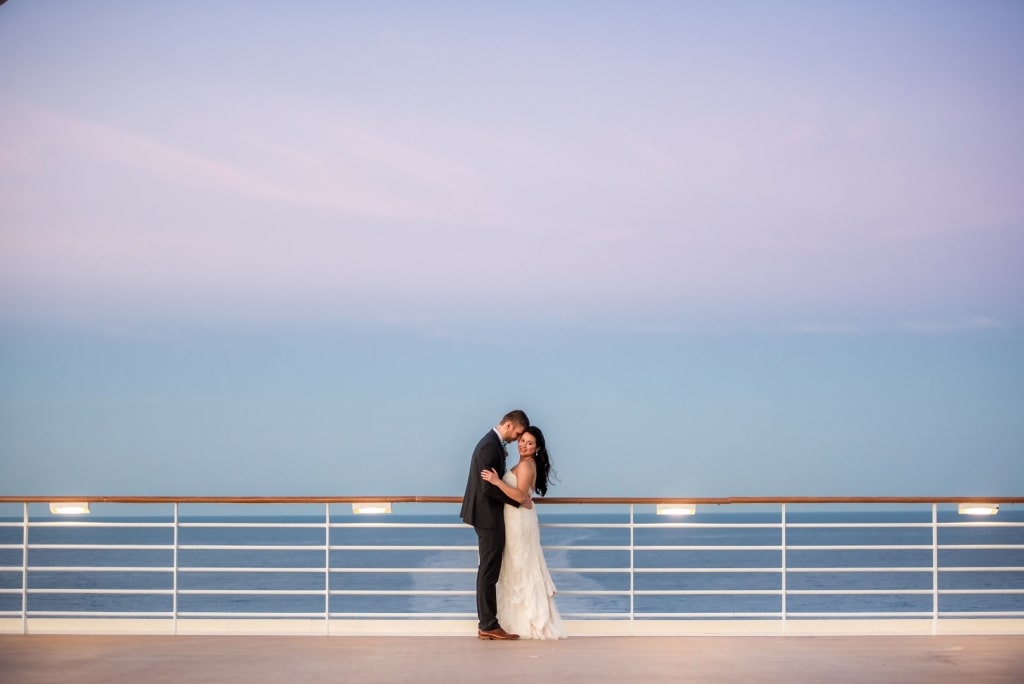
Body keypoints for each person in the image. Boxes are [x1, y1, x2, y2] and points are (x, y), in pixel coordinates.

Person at [481, 425, 566, 640]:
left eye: (530, 443)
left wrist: (497, 481)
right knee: (514, 565)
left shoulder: (527, 465)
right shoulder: (523, 463)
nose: (523, 445)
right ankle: (515, 620)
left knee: (520, 565)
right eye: (522, 441)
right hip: (514, 518)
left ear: (537, 448)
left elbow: (519, 496)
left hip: (518, 520)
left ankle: (527, 621)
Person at [460, 409, 532, 640]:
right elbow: (488, 487)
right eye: (518, 433)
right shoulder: (490, 446)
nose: (516, 439)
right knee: (488, 571)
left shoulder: (490, 442)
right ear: (509, 425)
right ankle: (488, 624)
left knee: (489, 570)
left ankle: (488, 623)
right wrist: (518, 501)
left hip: (486, 514)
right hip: (487, 516)